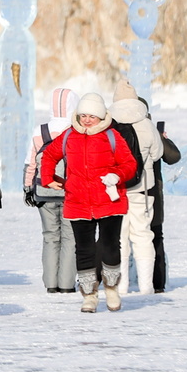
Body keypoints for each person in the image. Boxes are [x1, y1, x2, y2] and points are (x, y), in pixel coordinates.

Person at [39, 92, 139, 313]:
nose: (86, 119)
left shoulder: (113, 136)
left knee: (109, 246)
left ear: (101, 116)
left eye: (91, 115)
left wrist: (117, 175)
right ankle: (90, 296)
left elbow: (130, 164)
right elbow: (49, 155)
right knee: (83, 250)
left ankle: (111, 289)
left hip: (109, 201)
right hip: (78, 201)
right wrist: (48, 178)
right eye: (82, 115)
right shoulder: (68, 136)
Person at [109, 82, 161, 297]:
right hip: (143, 189)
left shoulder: (109, 124)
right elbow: (157, 154)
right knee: (142, 235)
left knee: (119, 237)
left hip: (116, 187)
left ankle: (121, 285)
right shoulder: (147, 124)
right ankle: (146, 286)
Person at [25, 88, 78, 294]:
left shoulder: (41, 130)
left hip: (44, 189)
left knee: (49, 236)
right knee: (69, 237)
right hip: (70, 190)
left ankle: (51, 283)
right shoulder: (75, 129)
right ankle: (66, 283)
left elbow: (31, 161)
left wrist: (28, 186)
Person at [150, 120, 181, 292]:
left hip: (123, 193)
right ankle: (158, 283)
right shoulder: (152, 133)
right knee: (155, 238)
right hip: (152, 195)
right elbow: (173, 156)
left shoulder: (115, 129)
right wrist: (162, 139)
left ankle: (99, 278)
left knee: (112, 238)